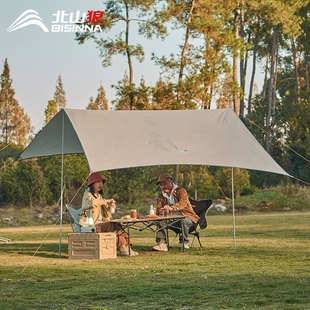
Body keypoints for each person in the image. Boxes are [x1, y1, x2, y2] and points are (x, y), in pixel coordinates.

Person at [79, 172, 139, 257]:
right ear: (92, 184)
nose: (101, 184)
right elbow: (93, 202)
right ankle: (123, 248)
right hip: (90, 225)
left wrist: (111, 207)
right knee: (113, 225)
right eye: (98, 182)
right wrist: (106, 201)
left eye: (101, 182)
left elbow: (108, 214)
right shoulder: (87, 195)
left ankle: (126, 247)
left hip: (101, 224)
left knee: (117, 225)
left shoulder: (99, 196)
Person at [152, 172, 199, 251]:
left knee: (183, 219)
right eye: (161, 185)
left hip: (188, 219)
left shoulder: (181, 191)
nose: (163, 187)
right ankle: (162, 244)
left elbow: (183, 204)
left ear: (171, 182)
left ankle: (184, 242)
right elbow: (158, 208)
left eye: (164, 184)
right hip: (172, 220)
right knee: (160, 220)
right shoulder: (161, 195)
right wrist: (160, 210)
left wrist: (171, 208)